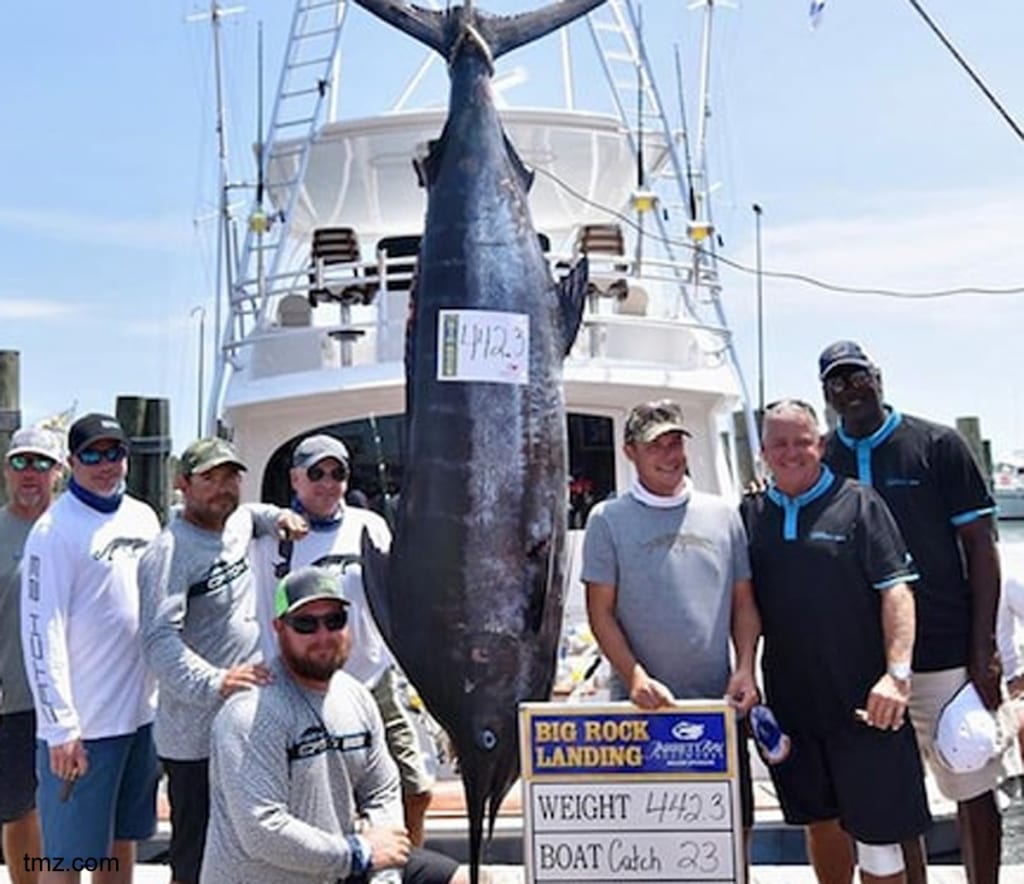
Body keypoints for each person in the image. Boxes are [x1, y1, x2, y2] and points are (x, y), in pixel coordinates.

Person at [818, 340, 1005, 884]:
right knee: (896, 799)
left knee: (971, 773)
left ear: (878, 377)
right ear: (826, 394)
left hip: (945, 649)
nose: (851, 390)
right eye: (837, 383)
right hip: (868, 662)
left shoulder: (938, 445)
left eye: (858, 377)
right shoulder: (824, 459)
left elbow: (981, 547)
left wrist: (984, 651)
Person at [742, 399, 930, 884]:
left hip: (865, 702)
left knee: (880, 843)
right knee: (819, 822)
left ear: (821, 445)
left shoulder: (860, 503)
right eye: (779, 443)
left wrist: (897, 675)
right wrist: (743, 670)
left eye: (801, 442)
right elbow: (744, 604)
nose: (790, 452)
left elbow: (897, 591)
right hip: (793, 702)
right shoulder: (752, 512)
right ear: (763, 451)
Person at [201, 566, 469, 884]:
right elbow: (261, 831)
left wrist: (385, 873)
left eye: (334, 620)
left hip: (337, 865)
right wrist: (359, 853)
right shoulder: (248, 713)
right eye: (305, 624)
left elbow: (381, 790)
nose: (323, 636)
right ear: (279, 628)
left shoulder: (357, 696)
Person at [581, 400, 761, 835]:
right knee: (648, 839)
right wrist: (635, 677)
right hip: (639, 712)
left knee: (733, 831)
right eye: (654, 446)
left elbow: (743, 603)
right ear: (630, 452)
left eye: (675, 442)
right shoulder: (606, 519)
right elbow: (600, 613)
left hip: (718, 710)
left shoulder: (724, 514)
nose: (669, 455)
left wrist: (745, 668)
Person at [137, 437, 307, 884]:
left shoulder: (237, 522)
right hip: (194, 738)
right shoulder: (169, 551)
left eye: (230, 477)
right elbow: (158, 641)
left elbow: (254, 514)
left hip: (246, 723)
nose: (222, 488)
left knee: (250, 844)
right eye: (208, 479)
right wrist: (217, 681)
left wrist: (281, 517)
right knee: (195, 858)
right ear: (182, 483)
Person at [253, 433, 434, 845]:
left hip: (373, 681)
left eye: (337, 473)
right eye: (316, 473)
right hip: (303, 688)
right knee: (322, 804)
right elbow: (230, 517)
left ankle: (407, 865)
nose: (328, 482)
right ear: (295, 478)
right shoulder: (269, 537)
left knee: (416, 789)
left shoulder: (370, 525)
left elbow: (399, 596)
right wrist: (272, 516)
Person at [20, 413, 162, 883]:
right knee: (65, 861)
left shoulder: (144, 517)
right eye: (92, 455)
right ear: (71, 462)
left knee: (122, 845)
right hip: (84, 728)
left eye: (114, 452)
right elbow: (40, 632)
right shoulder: (53, 531)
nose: (105, 464)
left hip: (140, 718)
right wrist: (60, 726)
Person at [1, 427, 63, 884]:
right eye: (20, 462)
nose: (30, 472)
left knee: (68, 808)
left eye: (42, 463)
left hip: (73, 700)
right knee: (18, 809)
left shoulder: (73, 527)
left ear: (58, 472)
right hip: (14, 700)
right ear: (7, 470)